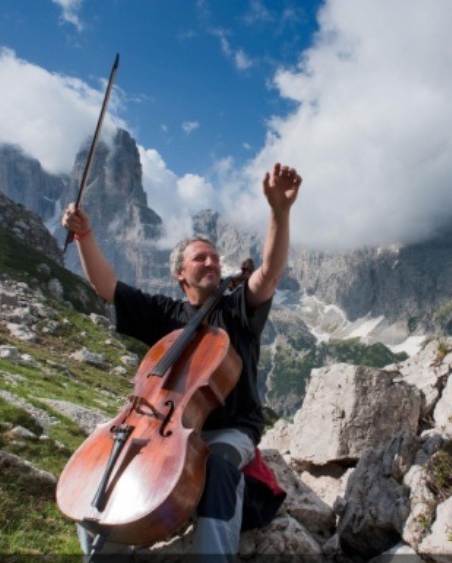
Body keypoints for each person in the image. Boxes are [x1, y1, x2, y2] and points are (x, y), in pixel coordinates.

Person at [61, 162, 301, 559]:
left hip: (228, 432)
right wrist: (84, 236)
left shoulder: (237, 308)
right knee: (108, 467)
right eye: (200, 259)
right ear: (180, 274)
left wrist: (279, 212)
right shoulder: (165, 314)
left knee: (219, 466)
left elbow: (269, 275)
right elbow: (107, 287)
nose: (211, 263)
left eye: (214, 258)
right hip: (163, 429)